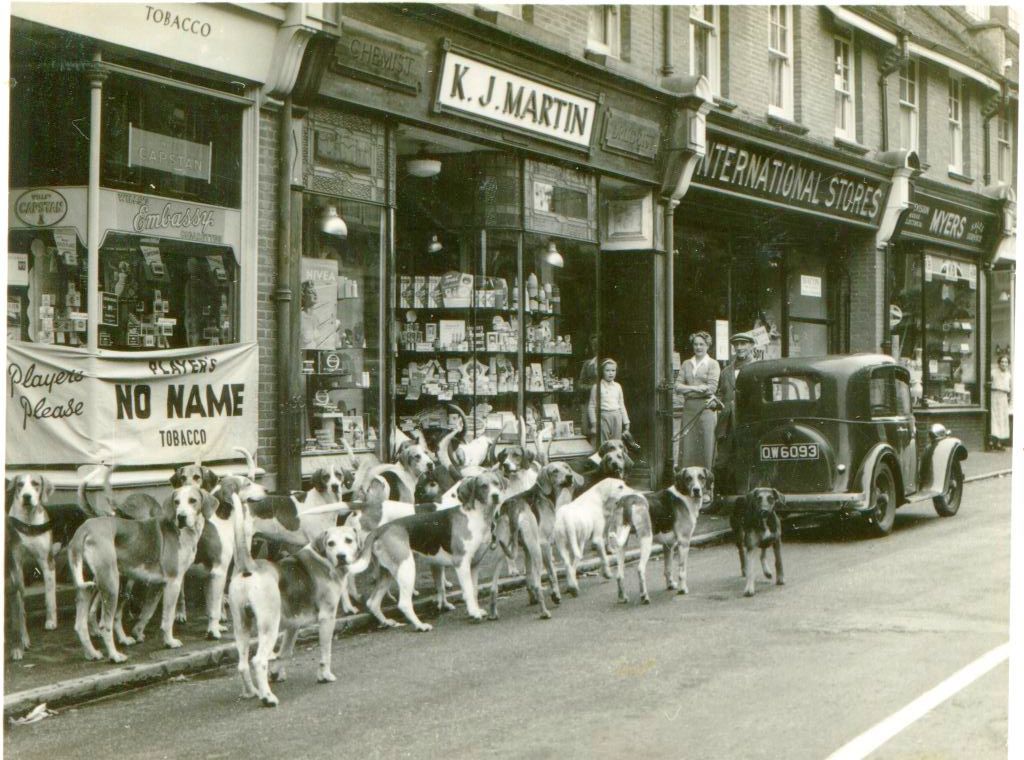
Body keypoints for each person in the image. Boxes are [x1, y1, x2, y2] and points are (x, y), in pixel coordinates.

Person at [713, 331, 756, 495]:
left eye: (743, 344)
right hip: (726, 423)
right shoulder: (725, 372)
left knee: (745, 459)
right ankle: (719, 500)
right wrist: (715, 401)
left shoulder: (757, 368)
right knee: (722, 460)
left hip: (747, 422)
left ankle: (744, 498)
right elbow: (720, 394)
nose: (739, 348)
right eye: (736, 345)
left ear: (751, 346)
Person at [674, 331, 720, 470]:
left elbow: (711, 388)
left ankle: (705, 481)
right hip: (689, 409)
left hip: (705, 409)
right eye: (695, 344)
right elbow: (677, 386)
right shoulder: (686, 363)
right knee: (688, 445)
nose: (698, 347)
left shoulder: (713, 364)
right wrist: (698, 388)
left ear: (707, 346)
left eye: (702, 344)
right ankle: (686, 480)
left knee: (706, 445)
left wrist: (688, 389)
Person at [588, 358, 629, 447]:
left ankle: (614, 459)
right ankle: (605, 459)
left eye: (613, 370)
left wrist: (626, 421)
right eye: (607, 370)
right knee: (604, 443)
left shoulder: (618, 386)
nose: (611, 373)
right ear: (602, 371)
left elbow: (621, 404)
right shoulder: (597, 387)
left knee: (616, 443)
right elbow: (591, 406)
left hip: (617, 416)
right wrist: (594, 424)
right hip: (604, 416)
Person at [578, 335, 600, 440]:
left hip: (605, 403)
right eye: (593, 346)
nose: (595, 349)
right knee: (589, 432)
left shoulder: (609, 366)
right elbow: (580, 385)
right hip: (589, 402)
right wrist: (593, 388)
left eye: (597, 346)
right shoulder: (588, 364)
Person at [990, 355, 1011, 450]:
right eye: (1002, 362)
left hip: (1003, 397)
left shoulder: (1009, 375)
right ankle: (992, 441)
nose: (1004, 364)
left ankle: (999, 442)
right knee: (994, 417)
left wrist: (1009, 398)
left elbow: (1011, 388)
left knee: (1002, 418)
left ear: (1008, 364)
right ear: (999, 363)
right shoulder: (993, 372)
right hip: (994, 396)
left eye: (1006, 362)